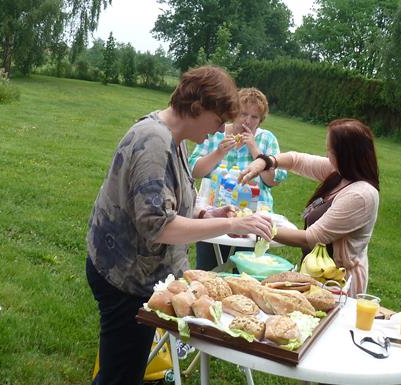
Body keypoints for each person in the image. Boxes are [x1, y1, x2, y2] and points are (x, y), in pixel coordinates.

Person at [86, 66, 272, 385]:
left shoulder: (175, 137)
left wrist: (206, 216)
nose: (217, 132)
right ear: (197, 107)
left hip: (138, 275)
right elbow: (159, 226)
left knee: (125, 370)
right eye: (217, 121)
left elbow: (165, 201)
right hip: (124, 277)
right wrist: (228, 224)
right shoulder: (154, 141)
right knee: (120, 375)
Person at [239, 118, 379, 296]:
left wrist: (257, 226)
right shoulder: (341, 173)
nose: (327, 155)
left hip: (338, 286)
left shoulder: (360, 195)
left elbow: (310, 238)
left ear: (345, 154)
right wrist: (265, 162)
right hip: (316, 278)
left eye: (330, 150)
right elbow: (297, 160)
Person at [188, 87, 287, 270]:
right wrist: (218, 153)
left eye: (254, 117)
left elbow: (273, 181)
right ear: (233, 113)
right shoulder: (215, 133)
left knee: (246, 274)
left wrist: (256, 151)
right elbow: (194, 171)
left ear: (261, 120)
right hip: (215, 213)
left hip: (253, 216)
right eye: (243, 114)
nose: (247, 121)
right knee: (208, 270)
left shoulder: (267, 139)